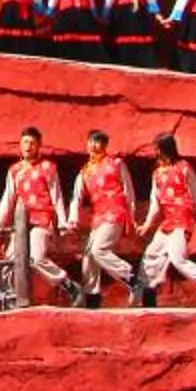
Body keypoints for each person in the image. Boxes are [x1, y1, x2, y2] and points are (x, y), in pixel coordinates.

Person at [138, 135, 196, 307]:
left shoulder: (184, 168)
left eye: (157, 148)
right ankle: (148, 299)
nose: (155, 152)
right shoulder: (157, 174)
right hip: (167, 223)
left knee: (177, 258)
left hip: (182, 220)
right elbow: (155, 204)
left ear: (166, 149)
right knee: (151, 255)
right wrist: (147, 225)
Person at [0, 128, 76, 306]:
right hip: (20, 224)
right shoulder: (15, 170)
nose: (28, 146)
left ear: (39, 145)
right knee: (9, 261)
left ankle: (68, 284)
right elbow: (8, 198)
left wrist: (62, 221)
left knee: (36, 258)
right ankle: (11, 299)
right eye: (25, 142)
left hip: (41, 220)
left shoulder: (47, 167)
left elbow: (57, 196)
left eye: (32, 142)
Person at [66, 130, 143, 308]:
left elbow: (128, 191)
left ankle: (132, 279)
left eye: (98, 142)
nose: (94, 145)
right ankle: (92, 298)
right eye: (91, 141)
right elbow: (76, 197)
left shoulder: (116, 164)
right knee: (88, 256)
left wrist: (131, 217)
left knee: (98, 249)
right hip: (99, 218)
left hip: (116, 212)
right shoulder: (85, 171)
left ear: (105, 145)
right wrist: (72, 218)